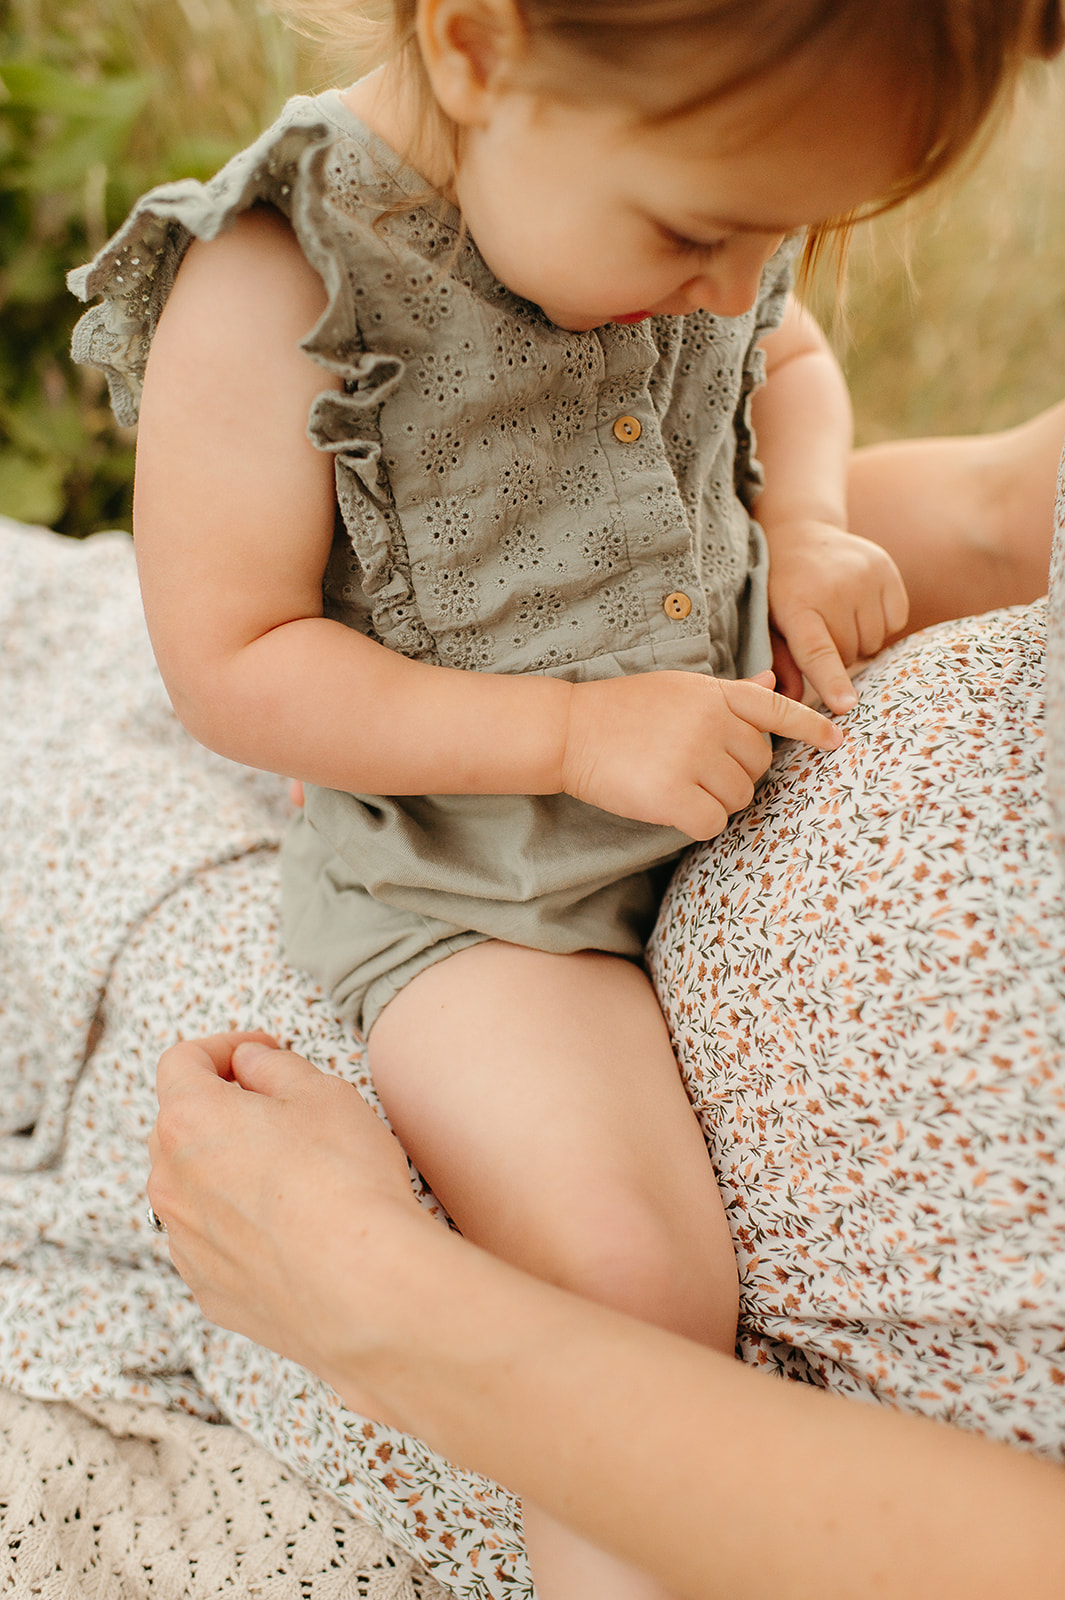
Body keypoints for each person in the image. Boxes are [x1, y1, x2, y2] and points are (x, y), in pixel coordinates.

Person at [71, 4, 1062, 1599]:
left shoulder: (681, 206)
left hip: (702, 721)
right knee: (620, 1273)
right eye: (697, 231)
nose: (737, 281)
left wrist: (802, 522)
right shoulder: (280, 281)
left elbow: (786, 356)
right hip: (480, 884)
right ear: (474, 48)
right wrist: (568, 738)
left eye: (779, 231)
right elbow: (237, 659)